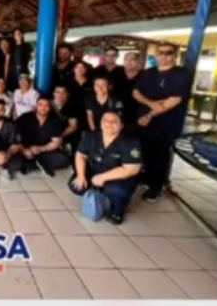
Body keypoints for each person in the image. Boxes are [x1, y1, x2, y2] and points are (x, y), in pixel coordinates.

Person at [133, 43, 191, 202]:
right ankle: (146, 177)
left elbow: (174, 100)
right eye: (160, 53)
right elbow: (136, 92)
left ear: (174, 55)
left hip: (166, 122)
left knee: (160, 155)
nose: (164, 56)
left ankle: (156, 186)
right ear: (155, 55)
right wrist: (151, 103)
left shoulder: (181, 75)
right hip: (144, 121)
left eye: (168, 53)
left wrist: (150, 114)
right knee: (144, 151)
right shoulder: (148, 73)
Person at [68, 110, 142, 225]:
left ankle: (118, 209)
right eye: (105, 120)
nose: (109, 123)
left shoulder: (130, 143)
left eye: (114, 121)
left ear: (121, 125)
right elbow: (80, 155)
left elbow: (132, 169)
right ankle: (99, 196)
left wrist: (102, 178)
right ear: (101, 123)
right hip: (95, 171)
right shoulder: (90, 137)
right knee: (76, 185)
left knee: (116, 190)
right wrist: (81, 176)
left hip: (118, 178)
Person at [17, 97, 70, 178]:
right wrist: (23, 149)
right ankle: (36, 163)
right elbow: (15, 135)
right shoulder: (25, 117)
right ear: (36, 106)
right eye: (40, 105)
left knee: (64, 159)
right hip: (25, 148)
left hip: (44, 149)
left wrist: (41, 149)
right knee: (15, 158)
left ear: (50, 108)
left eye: (46, 105)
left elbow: (57, 141)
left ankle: (34, 164)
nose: (43, 108)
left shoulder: (54, 121)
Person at [52, 85, 81, 155]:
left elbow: (73, 126)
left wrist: (60, 136)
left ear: (67, 94)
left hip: (64, 134)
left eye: (63, 92)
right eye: (58, 92)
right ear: (53, 94)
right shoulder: (47, 104)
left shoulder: (72, 107)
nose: (60, 95)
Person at [120, 52, 144, 129]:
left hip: (138, 113)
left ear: (138, 62)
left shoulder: (145, 76)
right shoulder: (117, 73)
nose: (129, 62)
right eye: (126, 59)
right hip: (119, 112)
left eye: (132, 59)